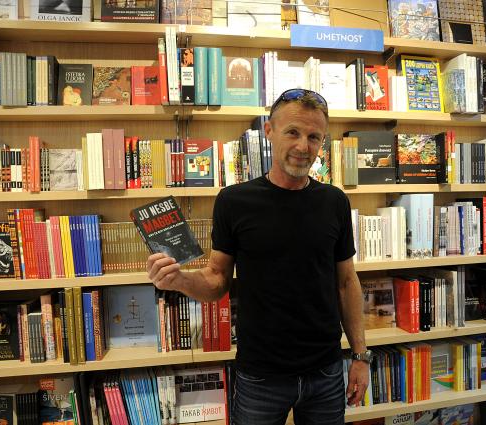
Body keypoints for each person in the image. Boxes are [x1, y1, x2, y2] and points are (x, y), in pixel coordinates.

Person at [147, 88, 369, 425]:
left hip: (325, 372)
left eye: (313, 137)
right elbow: (217, 279)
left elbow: (346, 282)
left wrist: (361, 356)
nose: (303, 146)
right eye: (292, 132)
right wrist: (180, 281)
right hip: (260, 376)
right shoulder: (233, 202)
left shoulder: (335, 202)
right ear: (269, 131)